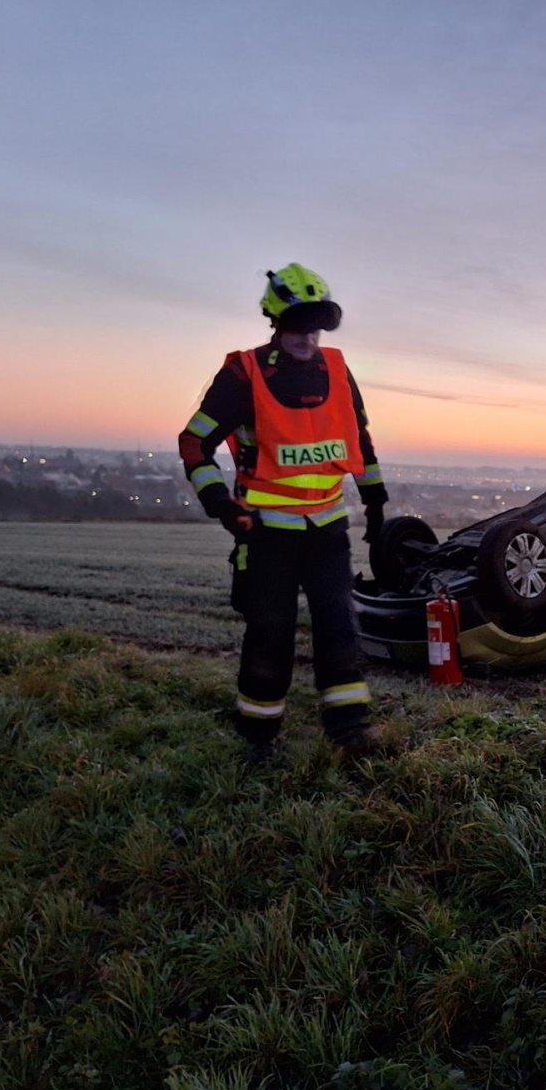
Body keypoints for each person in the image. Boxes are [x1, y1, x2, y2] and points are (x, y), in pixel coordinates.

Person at [178, 262, 389, 763]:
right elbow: (193, 443)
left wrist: (376, 504)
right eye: (298, 324)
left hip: (327, 529)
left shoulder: (337, 369)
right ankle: (258, 737)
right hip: (266, 532)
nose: (307, 336)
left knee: (340, 623)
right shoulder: (243, 374)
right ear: (276, 322)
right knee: (269, 630)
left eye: (315, 325)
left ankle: (350, 730)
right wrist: (219, 504)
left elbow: (358, 439)